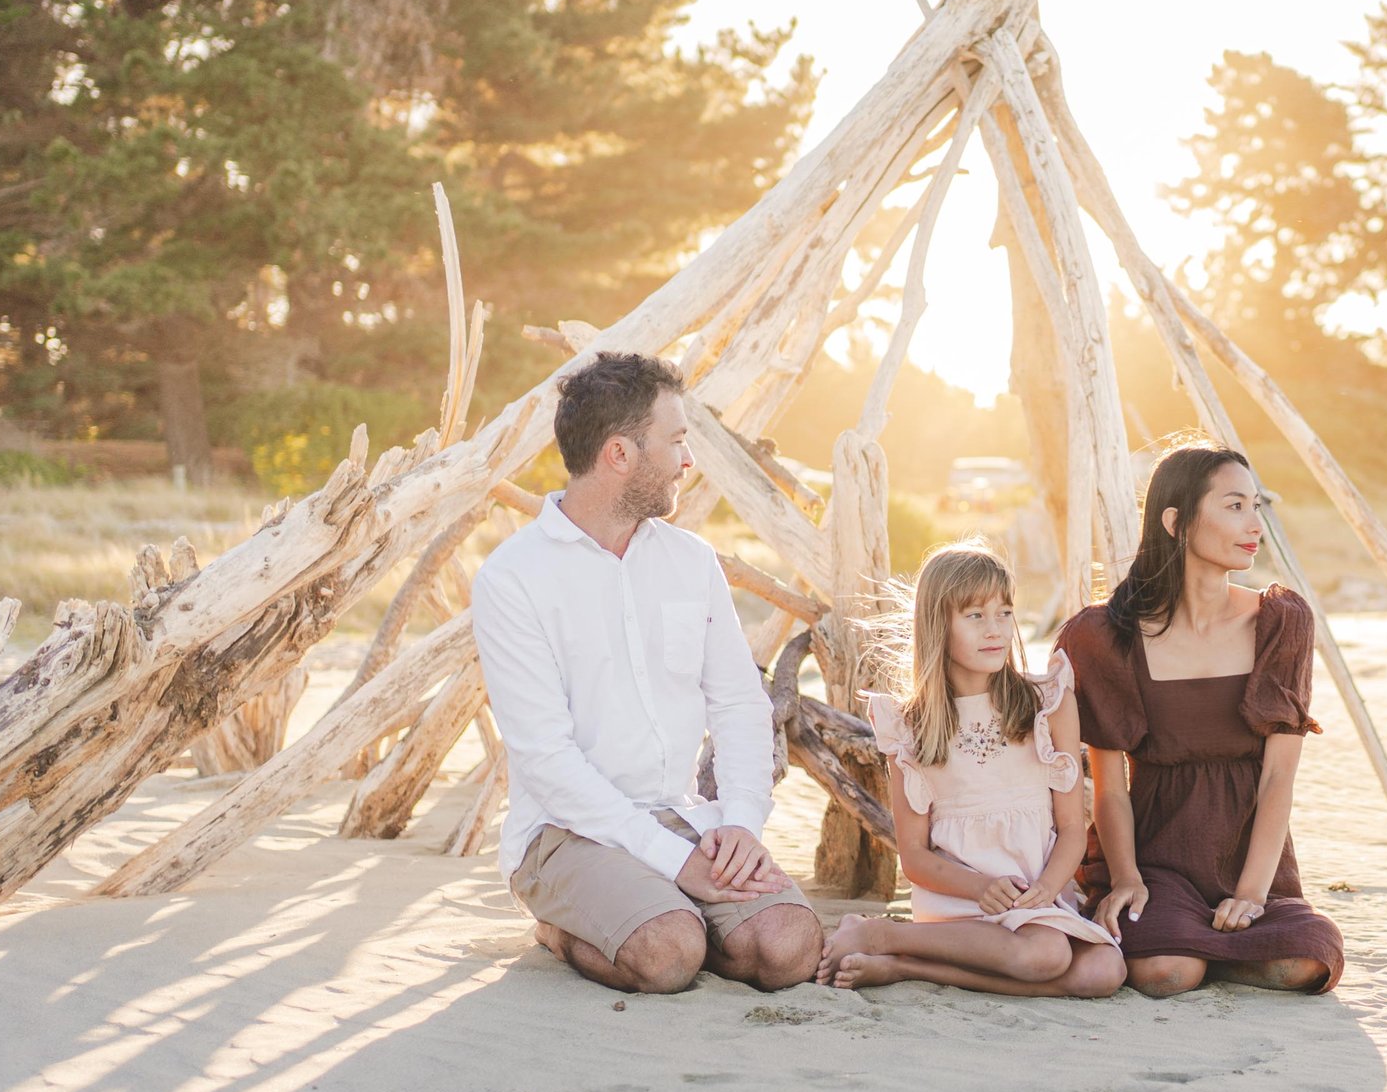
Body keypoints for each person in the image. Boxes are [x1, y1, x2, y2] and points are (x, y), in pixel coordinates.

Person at [470, 351, 822, 995]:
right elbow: (547, 760)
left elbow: (741, 707)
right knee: (668, 954)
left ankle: (666, 909)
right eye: (677, 441)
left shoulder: (692, 562)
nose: (688, 461)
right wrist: (676, 865)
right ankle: (565, 923)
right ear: (619, 454)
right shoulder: (512, 579)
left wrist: (741, 823)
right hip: (565, 832)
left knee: (789, 948)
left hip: (683, 816)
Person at [1056, 445, 1344, 996]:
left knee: (1306, 964)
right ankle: (1199, 943)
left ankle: (1217, 941)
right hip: (1157, 856)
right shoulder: (1105, 636)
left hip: (1252, 859)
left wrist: (1254, 894)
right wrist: (1126, 879)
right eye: (1235, 506)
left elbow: (1279, 777)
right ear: (1177, 521)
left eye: (1256, 506)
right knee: (1164, 973)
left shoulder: (1281, 621)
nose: (1254, 524)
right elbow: (1110, 789)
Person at [814, 542, 1124, 997]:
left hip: (1036, 899)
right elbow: (915, 857)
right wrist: (980, 887)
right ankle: (884, 935)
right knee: (1047, 956)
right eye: (975, 615)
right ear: (938, 625)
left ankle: (904, 965)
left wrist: (1047, 888)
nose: (995, 629)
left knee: (1105, 973)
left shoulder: (1048, 705)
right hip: (961, 903)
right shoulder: (911, 727)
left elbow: (1072, 829)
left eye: (1004, 612)